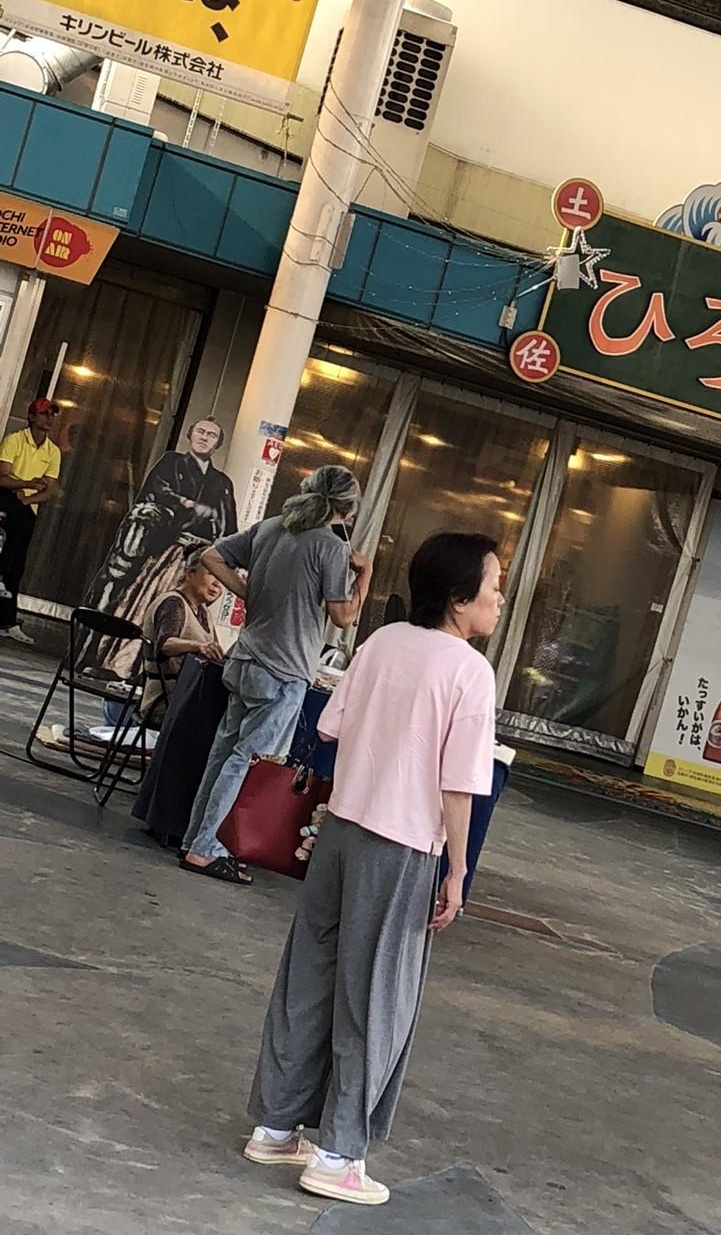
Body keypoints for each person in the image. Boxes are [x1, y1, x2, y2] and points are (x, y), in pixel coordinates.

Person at [243, 532, 502, 1206]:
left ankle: (275, 1127)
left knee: (310, 974)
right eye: (494, 586)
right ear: (458, 598)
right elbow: (457, 786)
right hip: (403, 846)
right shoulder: (470, 672)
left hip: (341, 830)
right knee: (377, 995)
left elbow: (332, 727)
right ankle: (336, 1155)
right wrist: (457, 871)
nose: (500, 599)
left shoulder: (382, 642)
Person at [180, 465, 371, 885]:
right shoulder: (330, 547)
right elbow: (342, 617)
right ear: (347, 509)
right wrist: (365, 575)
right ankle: (206, 849)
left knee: (224, 755)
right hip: (284, 669)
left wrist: (248, 591)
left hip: (245, 657)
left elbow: (211, 556)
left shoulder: (270, 528)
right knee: (248, 764)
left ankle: (196, 837)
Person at [81, 417, 238, 680]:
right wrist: (186, 504)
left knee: (186, 615)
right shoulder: (171, 462)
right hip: (168, 550)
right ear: (190, 435)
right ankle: (121, 664)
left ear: (217, 445)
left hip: (201, 560)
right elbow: (156, 492)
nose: (204, 437)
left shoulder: (221, 483)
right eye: (200, 431)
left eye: (211, 435)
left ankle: (158, 673)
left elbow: (228, 525)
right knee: (144, 602)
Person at [137, 546, 226, 722]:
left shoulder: (203, 611)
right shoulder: (173, 603)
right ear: (190, 573)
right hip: (167, 701)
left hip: (186, 697)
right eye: (212, 574)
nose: (218, 583)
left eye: (222, 578)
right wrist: (198, 646)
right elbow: (165, 645)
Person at [0, 397, 62, 644]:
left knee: (17, 564)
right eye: (45, 413)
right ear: (32, 416)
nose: (49, 418)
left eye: (52, 414)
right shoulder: (15, 440)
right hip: (6, 500)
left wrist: (26, 498)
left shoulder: (53, 451)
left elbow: (49, 490)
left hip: (24, 508)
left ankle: (6, 619)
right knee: (10, 553)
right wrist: (26, 484)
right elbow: (3, 478)